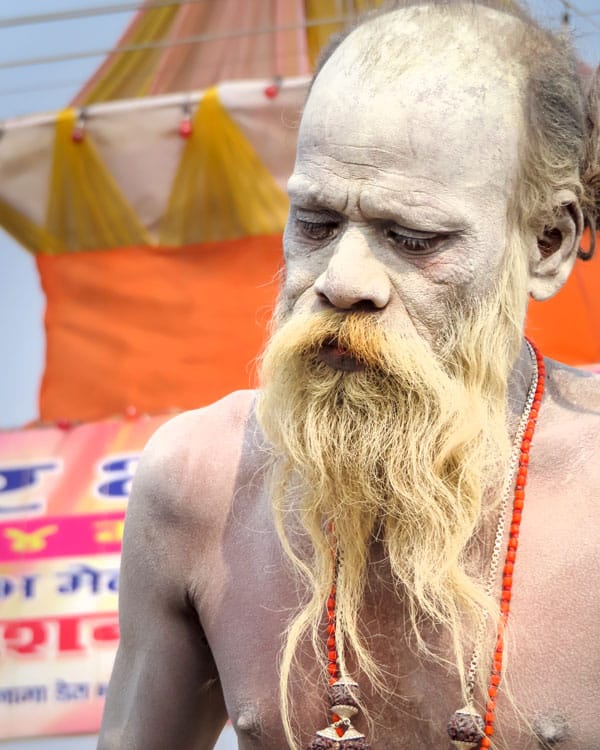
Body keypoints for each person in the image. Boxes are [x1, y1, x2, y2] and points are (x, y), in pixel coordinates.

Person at [98, 1, 600, 748]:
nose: (343, 279)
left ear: (549, 244)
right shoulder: (194, 483)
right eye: (316, 223)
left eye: (415, 238)